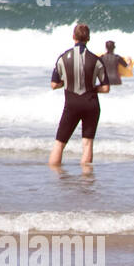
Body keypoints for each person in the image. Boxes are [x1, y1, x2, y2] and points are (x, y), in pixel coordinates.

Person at [48, 23, 109, 167]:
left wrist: (65, 83)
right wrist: (93, 89)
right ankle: (86, 181)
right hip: (91, 104)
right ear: (88, 38)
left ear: (73, 37)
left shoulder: (63, 58)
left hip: (71, 104)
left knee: (59, 143)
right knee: (87, 144)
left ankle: (54, 177)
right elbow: (106, 88)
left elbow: (54, 85)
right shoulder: (96, 60)